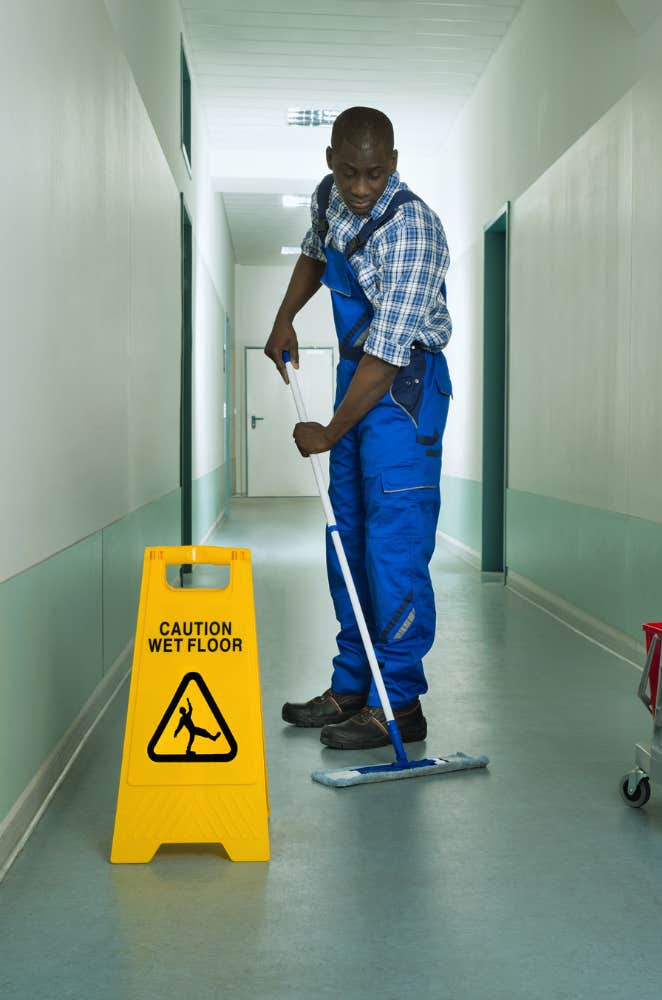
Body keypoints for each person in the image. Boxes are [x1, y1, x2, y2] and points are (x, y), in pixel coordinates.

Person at [265, 106, 452, 751]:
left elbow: (389, 353)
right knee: (344, 537)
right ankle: (353, 684)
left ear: (394, 164)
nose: (362, 187)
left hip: (403, 388)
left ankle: (398, 704)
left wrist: (329, 431)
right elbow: (317, 255)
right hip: (357, 373)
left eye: (376, 173)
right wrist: (285, 317)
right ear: (331, 164)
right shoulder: (330, 197)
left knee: (393, 547)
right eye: (350, 173)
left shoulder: (413, 229)